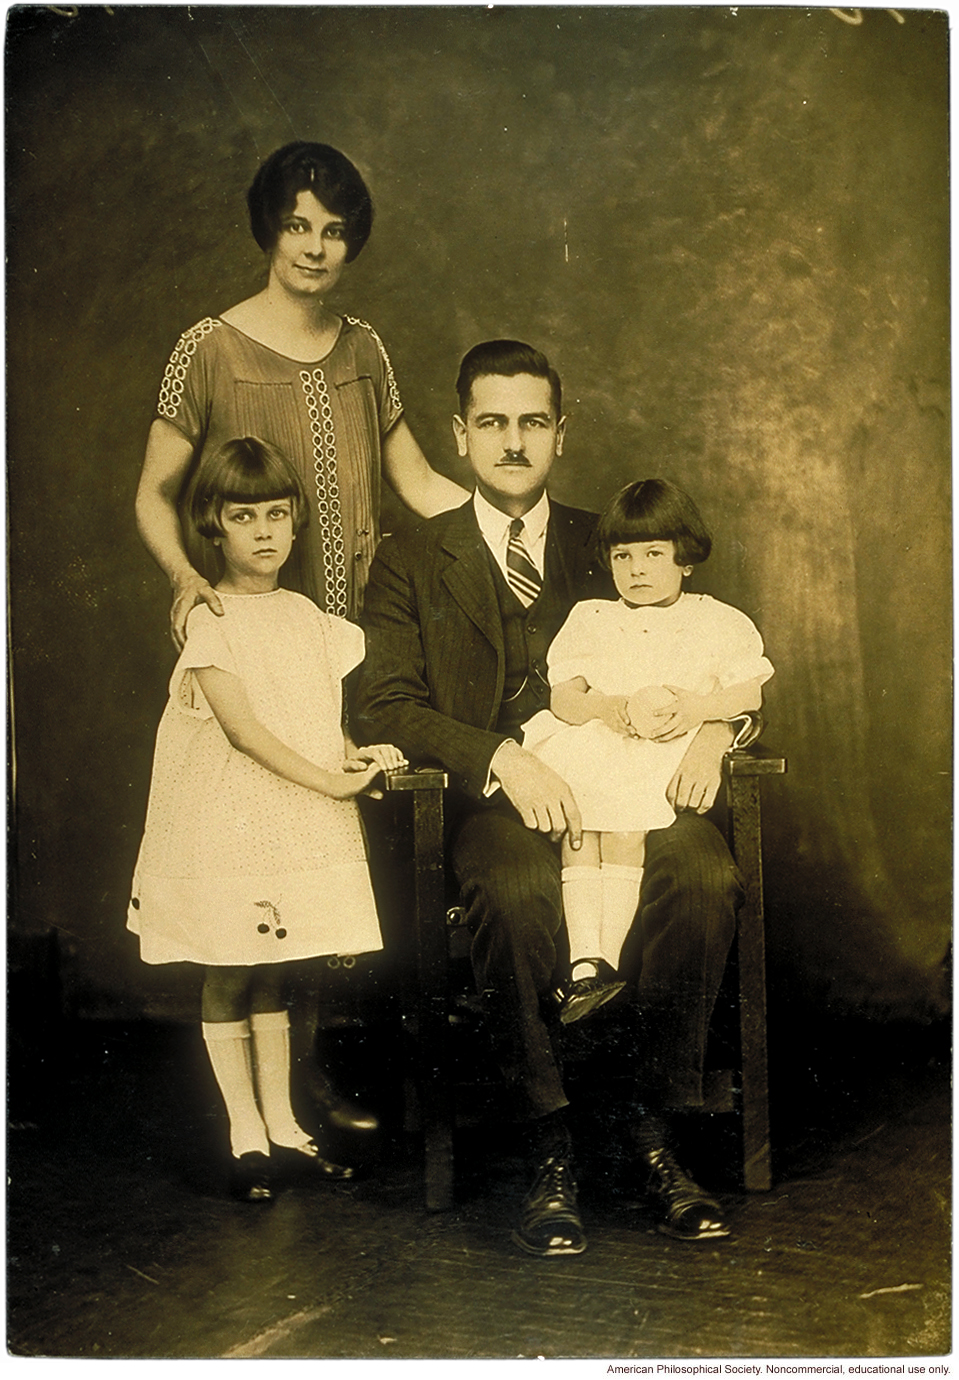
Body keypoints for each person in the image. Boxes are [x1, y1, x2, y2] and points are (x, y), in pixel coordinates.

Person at [354, 340, 758, 1255]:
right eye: (490, 422)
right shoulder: (411, 558)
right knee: (512, 888)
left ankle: (655, 1133)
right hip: (499, 804)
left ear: (559, 435)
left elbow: (718, 661)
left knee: (701, 871)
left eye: (531, 421)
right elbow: (387, 703)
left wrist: (709, 731)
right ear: (459, 435)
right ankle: (550, 1144)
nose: (511, 441)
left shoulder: (614, 539)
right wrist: (501, 757)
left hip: (635, 789)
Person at [128, 437, 406, 1202]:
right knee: (229, 967)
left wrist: (351, 758)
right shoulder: (210, 621)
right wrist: (328, 782)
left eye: (276, 515)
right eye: (241, 515)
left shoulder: (308, 617)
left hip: (294, 813)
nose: (262, 531)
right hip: (229, 818)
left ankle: (284, 1126)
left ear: (295, 523)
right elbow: (245, 730)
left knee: (279, 972)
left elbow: (318, 715)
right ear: (212, 524)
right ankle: (242, 1136)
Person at [135, 140, 467, 648]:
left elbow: (419, 483)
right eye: (298, 227)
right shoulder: (208, 349)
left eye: (333, 232)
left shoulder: (363, 348)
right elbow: (154, 493)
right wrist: (185, 578)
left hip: (360, 638)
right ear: (271, 230)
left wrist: (510, 528)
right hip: (248, 635)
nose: (316, 249)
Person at [522, 479, 773, 1024]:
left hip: (660, 751)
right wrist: (610, 708)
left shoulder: (717, 620)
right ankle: (585, 966)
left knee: (627, 830)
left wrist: (698, 710)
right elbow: (565, 696)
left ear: (685, 559)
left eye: (653, 554)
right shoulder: (591, 617)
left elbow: (747, 692)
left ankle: (601, 962)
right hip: (600, 739)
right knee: (580, 828)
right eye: (623, 556)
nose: (636, 569)